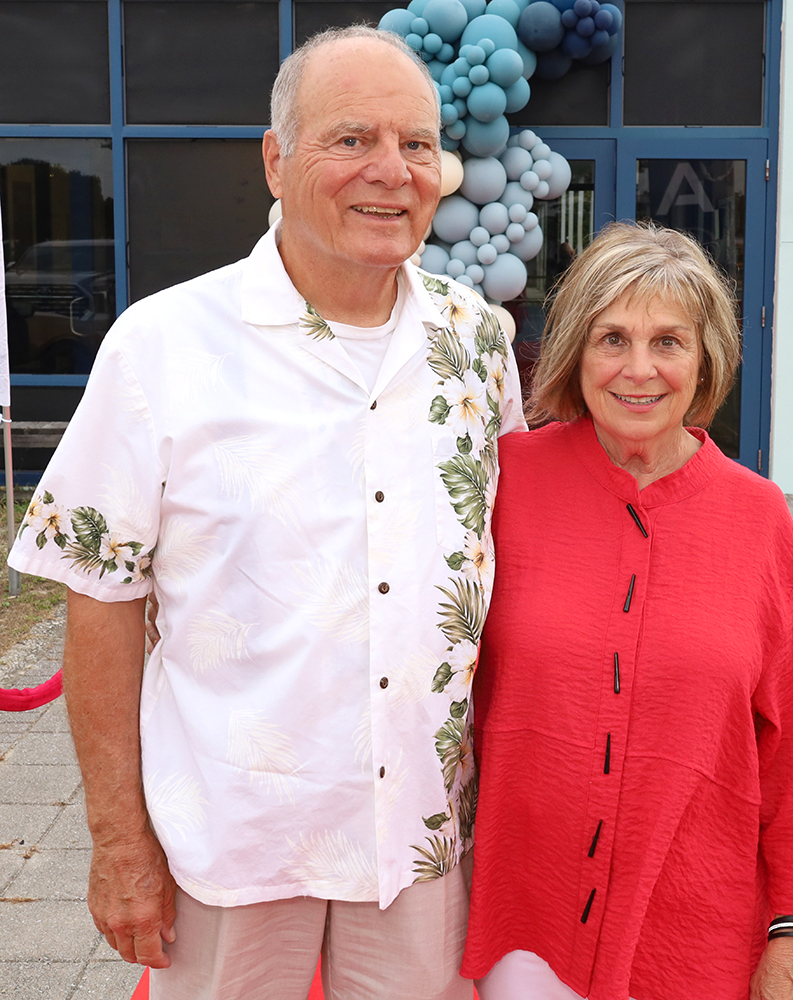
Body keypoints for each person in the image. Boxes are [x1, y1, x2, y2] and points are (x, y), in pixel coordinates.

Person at [8, 25, 525, 1000]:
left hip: (419, 838)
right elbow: (99, 599)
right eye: (352, 139)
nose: (392, 170)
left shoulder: (478, 342)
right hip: (231, 843)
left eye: (416, 144)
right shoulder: (161, 348)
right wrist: (119, 842)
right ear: (275, 161)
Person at [460, 222, 793, 1000]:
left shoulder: (758, 517)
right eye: (613, 339)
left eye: (668, 341)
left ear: (705, 360)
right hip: (526, 909)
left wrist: (792, 928)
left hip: (694, 915)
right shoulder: (505, 483)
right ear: (575, 352)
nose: (639, 369)